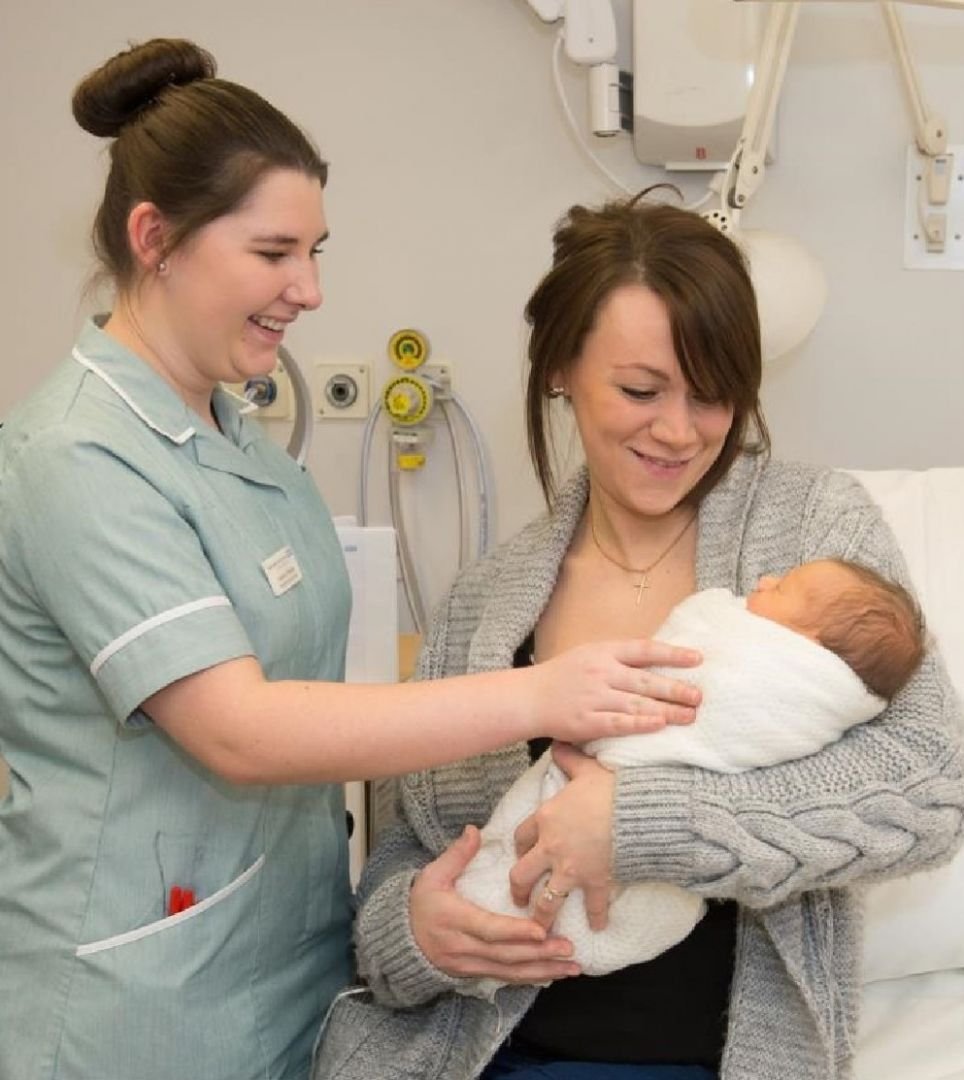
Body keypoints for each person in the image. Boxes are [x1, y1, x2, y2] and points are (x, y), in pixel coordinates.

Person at [0, 45, 703, 1080]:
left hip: (288, 966)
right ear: (155, 238)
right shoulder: (77, 458)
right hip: (138, 998)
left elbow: (322, 689)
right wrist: (540, 692)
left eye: (316, 250)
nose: (311, 290)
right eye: (275, 253)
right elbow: (239, 730)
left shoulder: (244, 445)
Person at [314, 195, 964, 1080]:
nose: (679, 431)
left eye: (713, 394)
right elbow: (407, 844)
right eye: (640, 389)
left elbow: (931, 786)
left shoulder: (813, 534)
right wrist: (415, 932)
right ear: (560, 371)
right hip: (479, 1052)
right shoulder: (482, 604)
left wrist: (644, 826)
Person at [454, 558, 926, 989]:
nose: (763, 581)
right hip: (468, 1023)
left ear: (807, 648)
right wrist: (414, 940)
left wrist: (635, 817)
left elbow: (923, 800)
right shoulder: (487, 583)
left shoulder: (825, 539)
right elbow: (408, 841)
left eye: (781, 589)